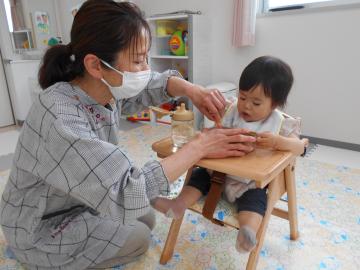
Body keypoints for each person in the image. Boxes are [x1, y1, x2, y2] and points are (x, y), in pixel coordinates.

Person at [0, 1, 256, 269]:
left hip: (80, 199)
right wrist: (198, 147)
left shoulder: (100, 88)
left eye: (146, 57)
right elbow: (125, 191)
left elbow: (149, 86)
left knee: (146, 216)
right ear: (96, 65)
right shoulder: (60, 115)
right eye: (137, 60)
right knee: (139, 236)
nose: (146, 68)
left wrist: (193, 90)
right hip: (40, 227)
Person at [153, 56, 309, 253]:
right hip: (216, 176)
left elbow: (301, 148)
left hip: (249, 184)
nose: (246, 106)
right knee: (198, 176)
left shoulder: (282, 124)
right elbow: (213, 127)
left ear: (274, 104)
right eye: (243, 97)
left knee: (256, 201)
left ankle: (247, 232)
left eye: (256, 102)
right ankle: (178, 205)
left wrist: (279, 142)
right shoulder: (232, 109)